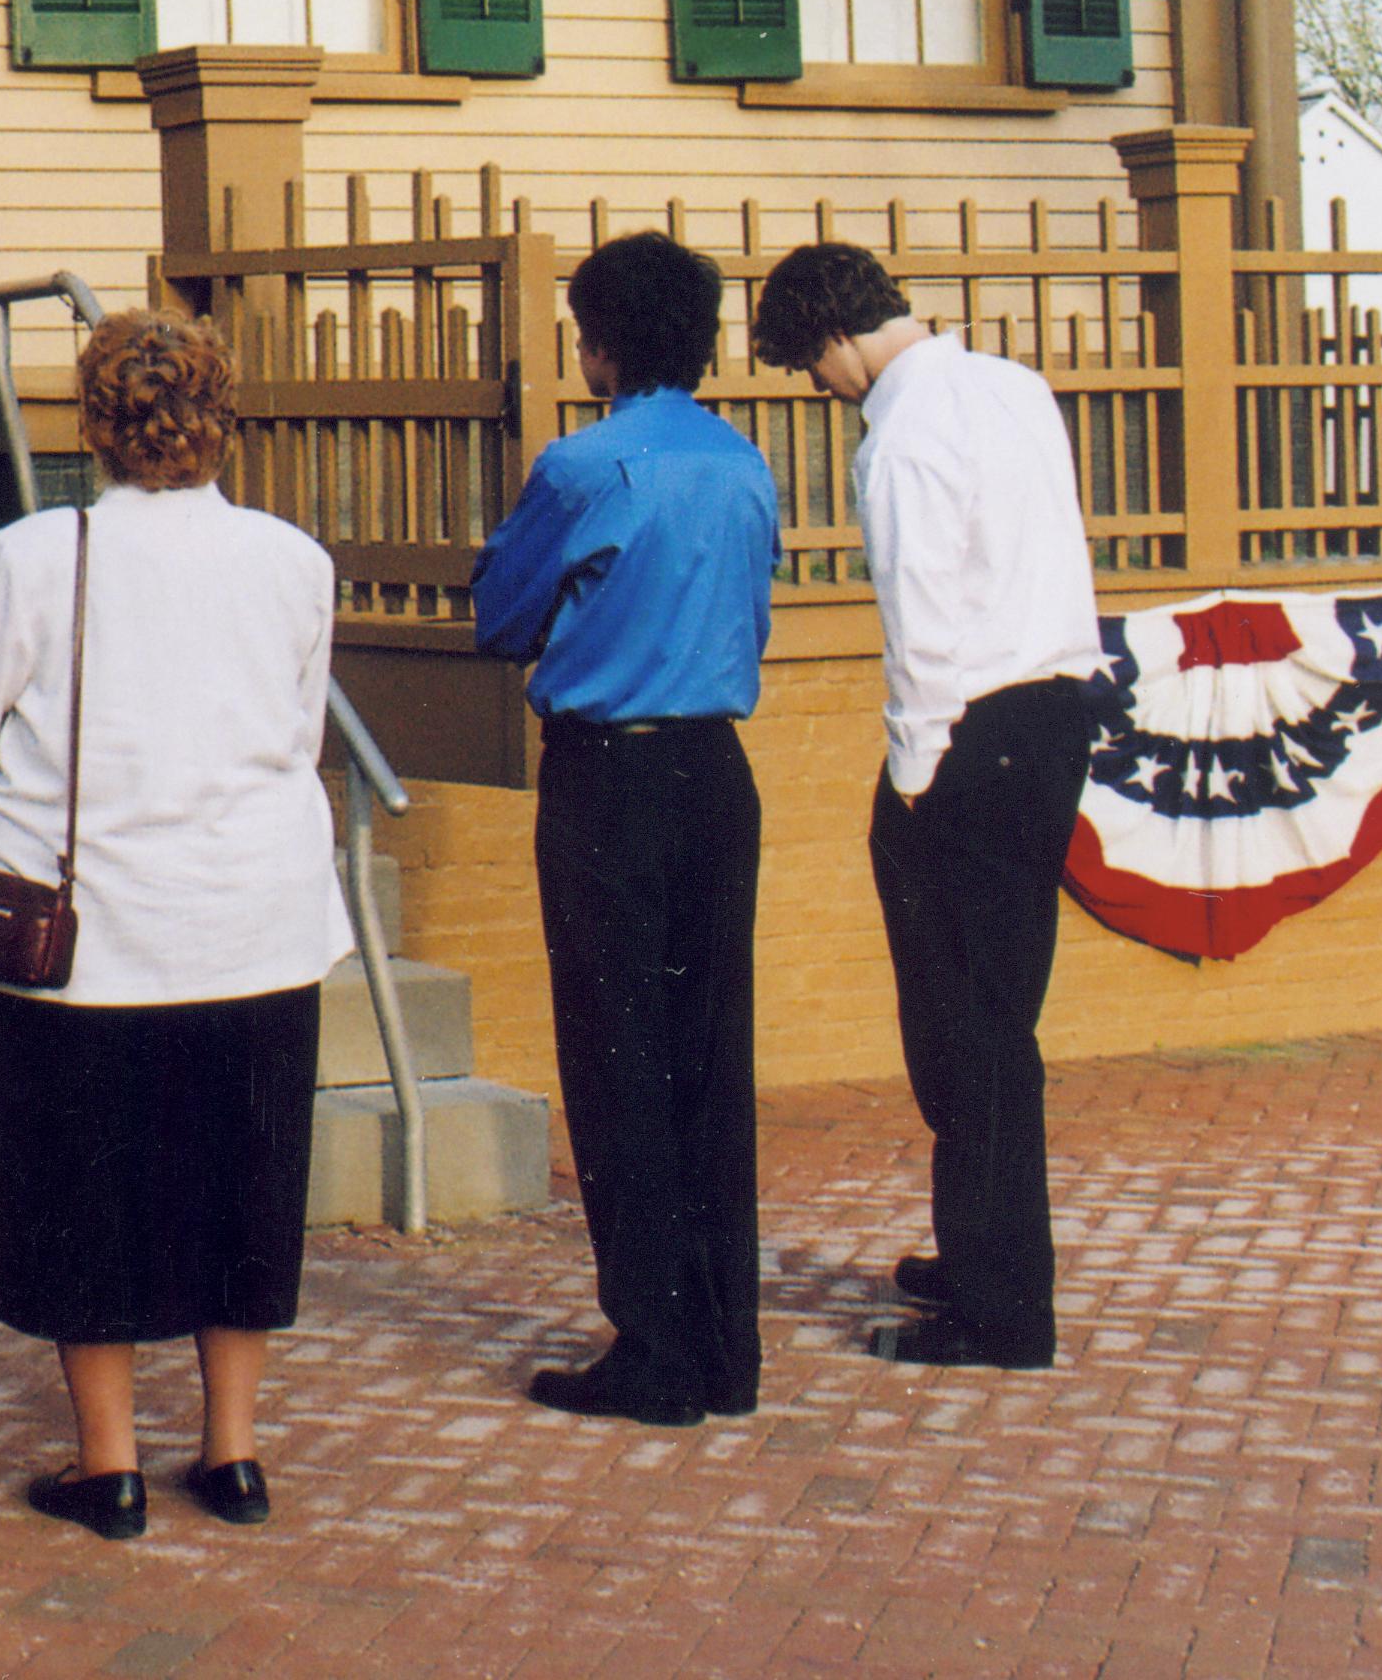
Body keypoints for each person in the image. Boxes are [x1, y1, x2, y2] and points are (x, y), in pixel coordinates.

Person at [0, 309, 347, 1542]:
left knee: (81, 1188)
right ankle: (231, 1451)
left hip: (86, 931)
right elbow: (298, 731)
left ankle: (108, 1465)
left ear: (93, 423)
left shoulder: (34, 552)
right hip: (257, 920)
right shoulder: (291, 557)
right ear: (221, 417)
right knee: (246, 1180)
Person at [751, 242, 1103, 1373]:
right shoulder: (1015, 385)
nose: (818, 386)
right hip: (1055, 716)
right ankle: (982, 1251)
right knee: (998, 1009)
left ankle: (1002, 1310)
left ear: (834, 338)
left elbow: (922, 625)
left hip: (968, 736)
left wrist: (911, 778)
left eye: (811, 366)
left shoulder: (897, 439)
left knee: (967, 1027)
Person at [470, 232, 783, 1428]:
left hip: (609, 775)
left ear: (595, 341)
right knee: (710, 1055)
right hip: (716, 767)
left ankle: (652, 1343)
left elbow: (504, 617)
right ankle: (724, 1345)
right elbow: (747, 617)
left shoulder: (582, 465)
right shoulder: (745, 462)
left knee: (616, 1057)